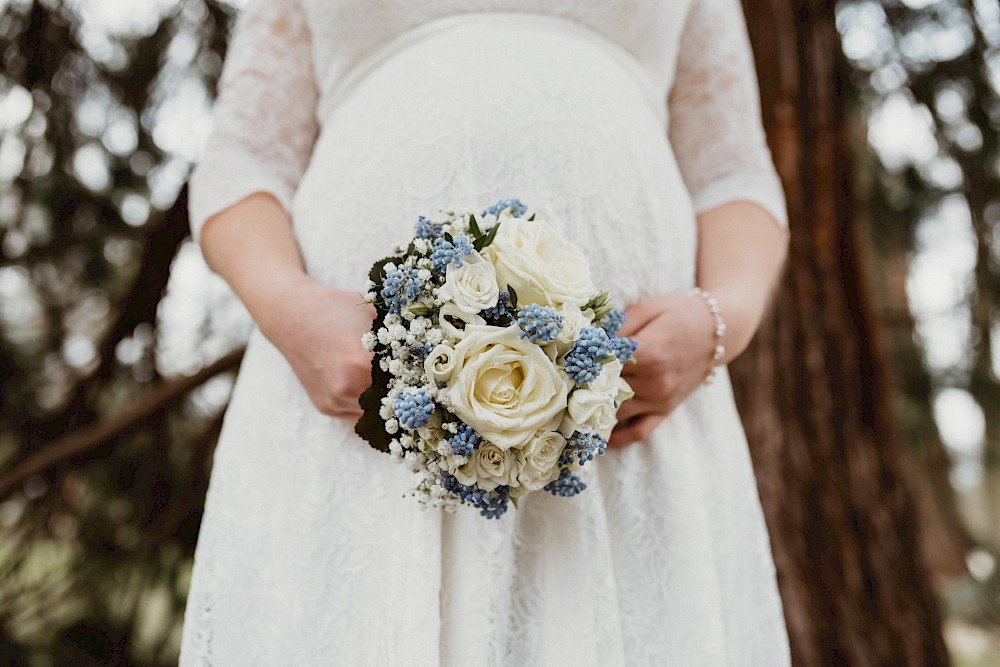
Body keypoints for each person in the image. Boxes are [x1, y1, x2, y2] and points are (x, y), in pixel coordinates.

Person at [178, 0, 791, 664]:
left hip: (632, 437)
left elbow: (732, 173)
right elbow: (243, 158)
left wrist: (724, 315)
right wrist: (286, 306)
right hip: (351, 418)